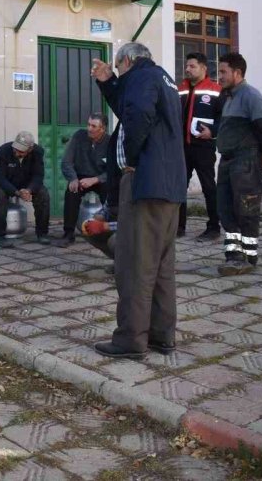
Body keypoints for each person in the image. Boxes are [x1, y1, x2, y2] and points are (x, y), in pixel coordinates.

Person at [91, 42, 186, 359]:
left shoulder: (141, 77)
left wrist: (132, 159)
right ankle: (161, 335)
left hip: (144, 184)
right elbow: (130, 108)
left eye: (118, 68)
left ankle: (131, 339)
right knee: (161, 267)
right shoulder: (161, 78)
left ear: (128, 60)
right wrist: (108, 83)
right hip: (168, 185)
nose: (118, 73)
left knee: (134, 265)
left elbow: (138, 117)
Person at [216, 53, 262, 276]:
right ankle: (233, 256)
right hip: (228, 160)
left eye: (223, 72)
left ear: (237, 73)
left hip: (246, 161)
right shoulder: (227, 97)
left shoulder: (251, 96)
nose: (219, 76)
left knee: (246, 209)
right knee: (225, 208)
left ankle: (249, 257)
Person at [177, 53, 224, 240]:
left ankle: (214, 228)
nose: (187, 69)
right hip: (182, 148)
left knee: (209, 187)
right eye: (187, 66)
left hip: (204, 147)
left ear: (203, 68)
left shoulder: (216, 90)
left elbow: (224, 118)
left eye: (192, 66)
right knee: (179, 188)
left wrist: (212, 132)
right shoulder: (180, 89)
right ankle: (178, 227)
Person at [0, 131, 50, 247]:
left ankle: (42, 233)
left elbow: (38, 175)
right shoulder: (4, 151)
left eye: (21, 151)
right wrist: (16, 192)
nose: (16, 152)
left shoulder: (38, 152)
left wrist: (29, 190)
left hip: (24, 181)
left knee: (43, 194)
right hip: (1, 180)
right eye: (16, 148)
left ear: (30, 149)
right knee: (0, 196)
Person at [53, 114, 110, 247]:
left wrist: (96, 179)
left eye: (93, 126)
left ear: (103, 129)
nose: (89, 128)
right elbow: (66, 162)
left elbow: (114, 171)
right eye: (88, 124)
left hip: (100, 179)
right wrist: (73, 179)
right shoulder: (79, 136)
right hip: (80, 177)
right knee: (71, 191)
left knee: (110, 193)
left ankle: (108, 231)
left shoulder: (110, 142)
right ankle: (68, 234)